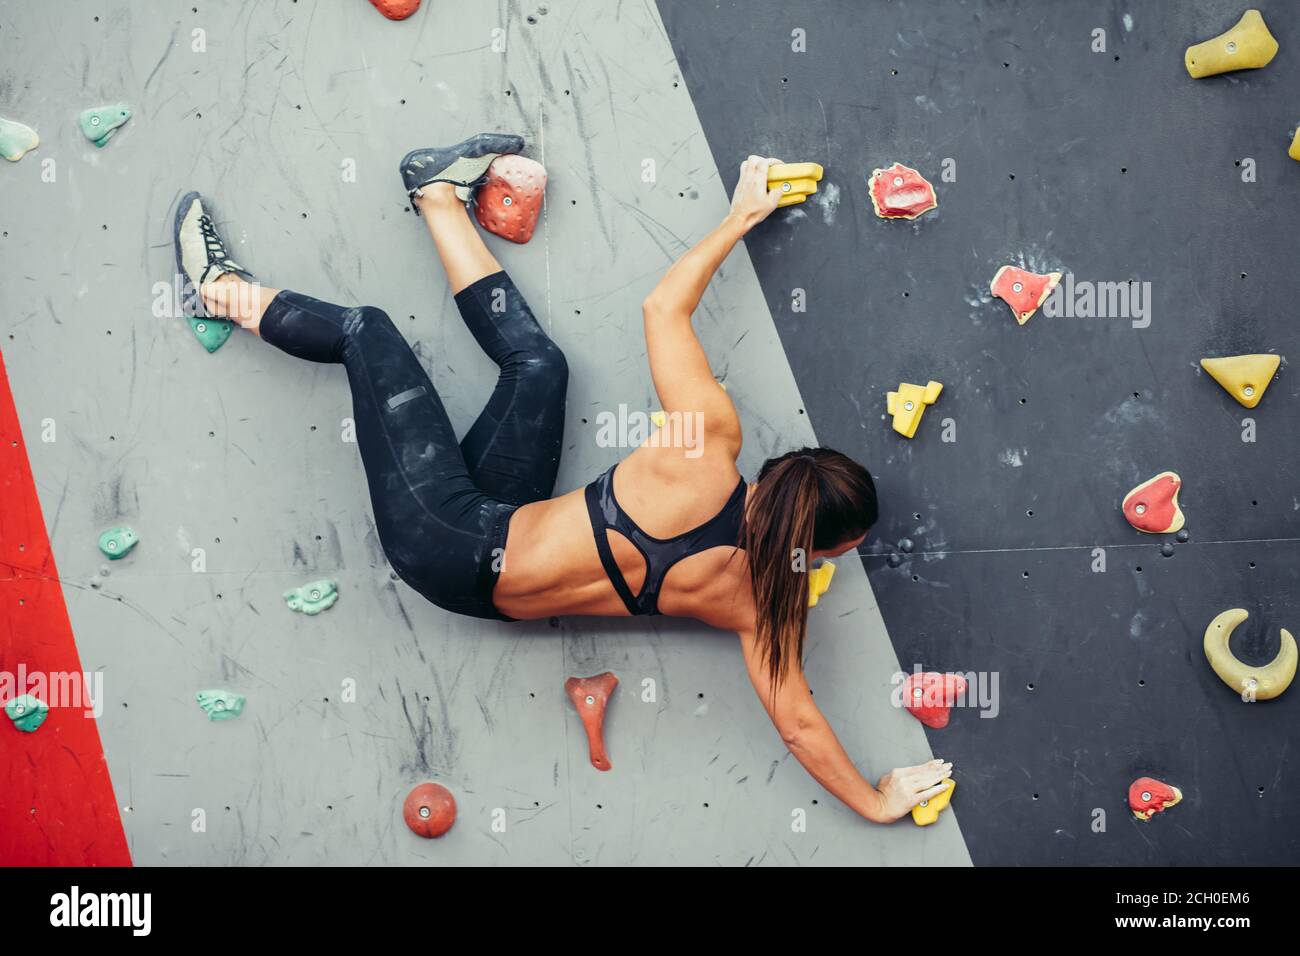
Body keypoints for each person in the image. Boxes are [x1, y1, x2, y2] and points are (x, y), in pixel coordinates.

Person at [173, 134, 953, 824]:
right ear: (820, 551)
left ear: (785, 472)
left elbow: (661, 311)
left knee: (365, 331)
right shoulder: (758, 605)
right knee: (540, 369)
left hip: (443, 542)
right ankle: (436, 191)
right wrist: (877, 801)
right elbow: (800, 725)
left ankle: (215, 289)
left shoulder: (703, 446)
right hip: (500, 540)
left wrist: (742, 215)